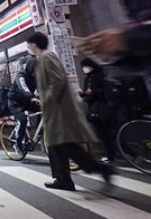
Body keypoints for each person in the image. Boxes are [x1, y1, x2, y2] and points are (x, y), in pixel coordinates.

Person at [27, 32, 115, 191]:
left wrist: (46, 98)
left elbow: (58, 79)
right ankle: (63, 179)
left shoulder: (47, 57)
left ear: (34, 44)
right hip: (54, 109)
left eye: (29, 44)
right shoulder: (42, 59)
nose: (28, 48)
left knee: (65, 144)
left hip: (58, 109)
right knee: (57, 145)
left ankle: (100, 169)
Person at [79, 58, 116, 162]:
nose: (84, 69)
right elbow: (87, 93)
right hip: (94, 107)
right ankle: (110, 155)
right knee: (103, 133)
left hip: (103, 107)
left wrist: (93, 92)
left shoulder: (101, 75)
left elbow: (107, 92)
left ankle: (110, 155)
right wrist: (83, 93)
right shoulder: (88, 77)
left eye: (85, 66)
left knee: (105, 133)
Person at [7, 56, 40, 152]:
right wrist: (31, 97)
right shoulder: (21, 75)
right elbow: (23, 87)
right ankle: (17, 144)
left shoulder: (36, 77)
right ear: (30, 66)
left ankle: (40, 130)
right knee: (23, 120)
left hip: (27, 101)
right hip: (15, 102)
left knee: (44, 109)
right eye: (35, 67)